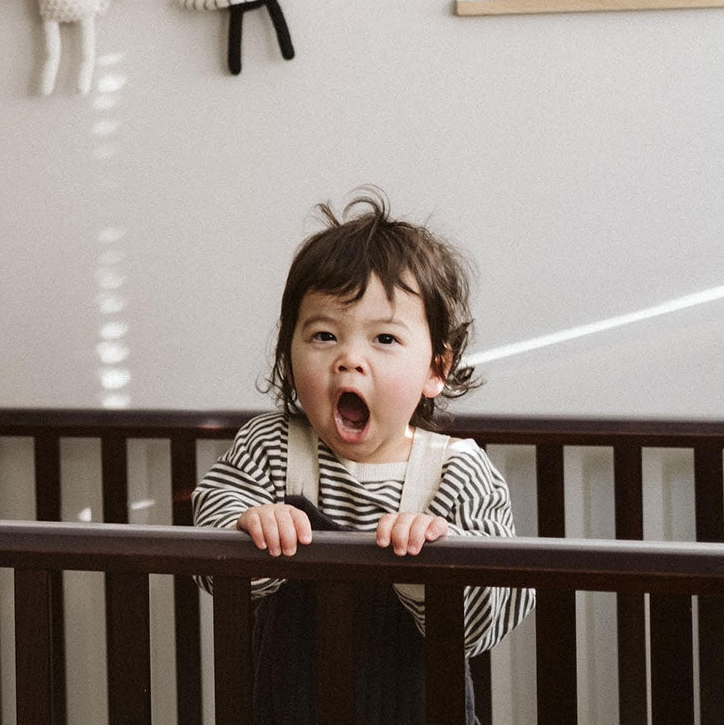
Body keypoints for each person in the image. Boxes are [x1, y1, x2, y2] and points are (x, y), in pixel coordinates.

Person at [191, 190, 533, 724]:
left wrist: (436, 568)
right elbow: (210, 559)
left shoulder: (457, 471)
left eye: (385, 339)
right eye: (325, 335)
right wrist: (249, 526)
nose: (350, 359)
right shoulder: (271, 448)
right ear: (289, 352)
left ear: (435, 369)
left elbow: (492, 615)